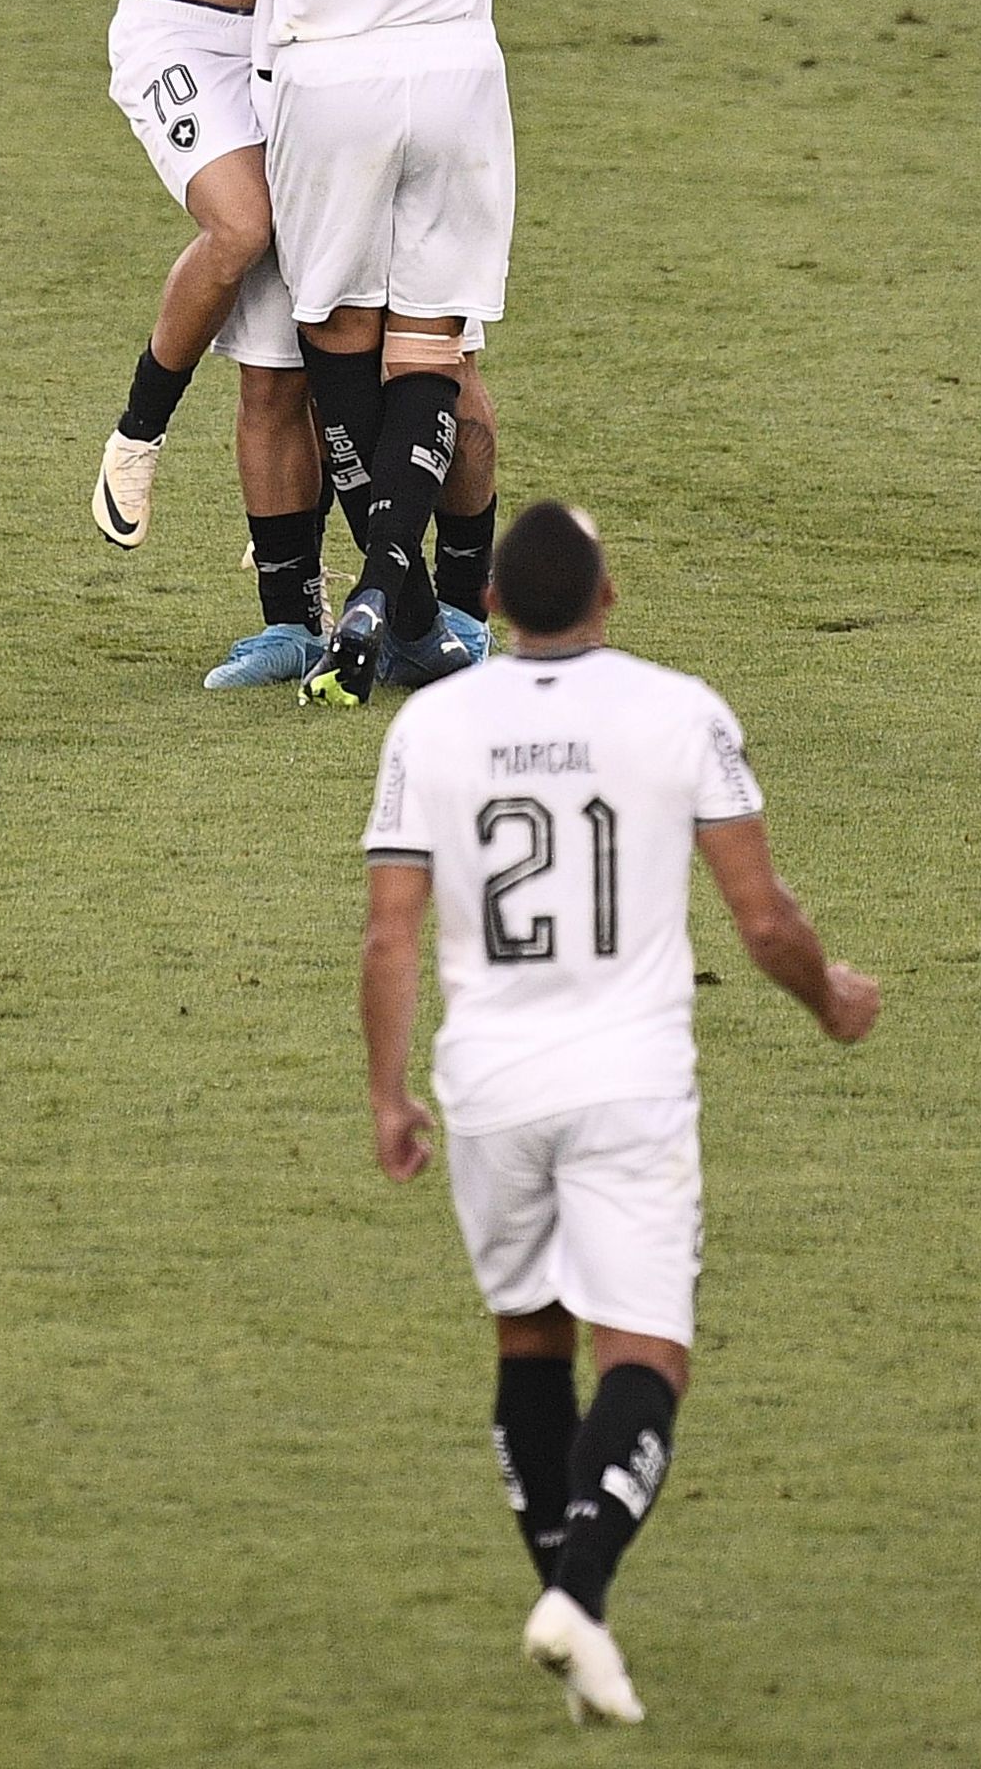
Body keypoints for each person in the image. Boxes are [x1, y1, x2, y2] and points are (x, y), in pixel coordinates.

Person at [359, 500, 882, 1723]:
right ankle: (579, 1596)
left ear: (485, 605)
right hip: (628, 1084)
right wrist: (829, 996)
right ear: (607, 600)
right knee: (644, 1354)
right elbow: (762, 920)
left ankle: (568, 1608)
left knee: (528, 1339)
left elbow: (389, 932)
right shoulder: (675, 710)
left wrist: (387, 1091)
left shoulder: (430, 725)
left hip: (487, 1085)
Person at [96, 0, 553, 704]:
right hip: (284, 58)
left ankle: (429, 608)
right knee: (291, 354)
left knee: (398, 366)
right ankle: (318, 609)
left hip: (322, 69)